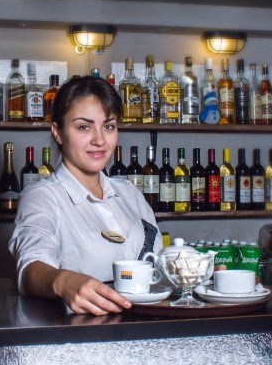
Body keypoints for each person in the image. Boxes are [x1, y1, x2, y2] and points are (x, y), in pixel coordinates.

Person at [9, 75, 162, 315]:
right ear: (58, 132)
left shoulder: (129, 193)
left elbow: (158, 265)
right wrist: (63, 281)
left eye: (108, 126)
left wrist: (192, 269)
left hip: (146, 329)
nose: (99, 140)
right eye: (84, 127)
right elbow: (31, 267)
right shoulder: (42, 197)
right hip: (83, 333)